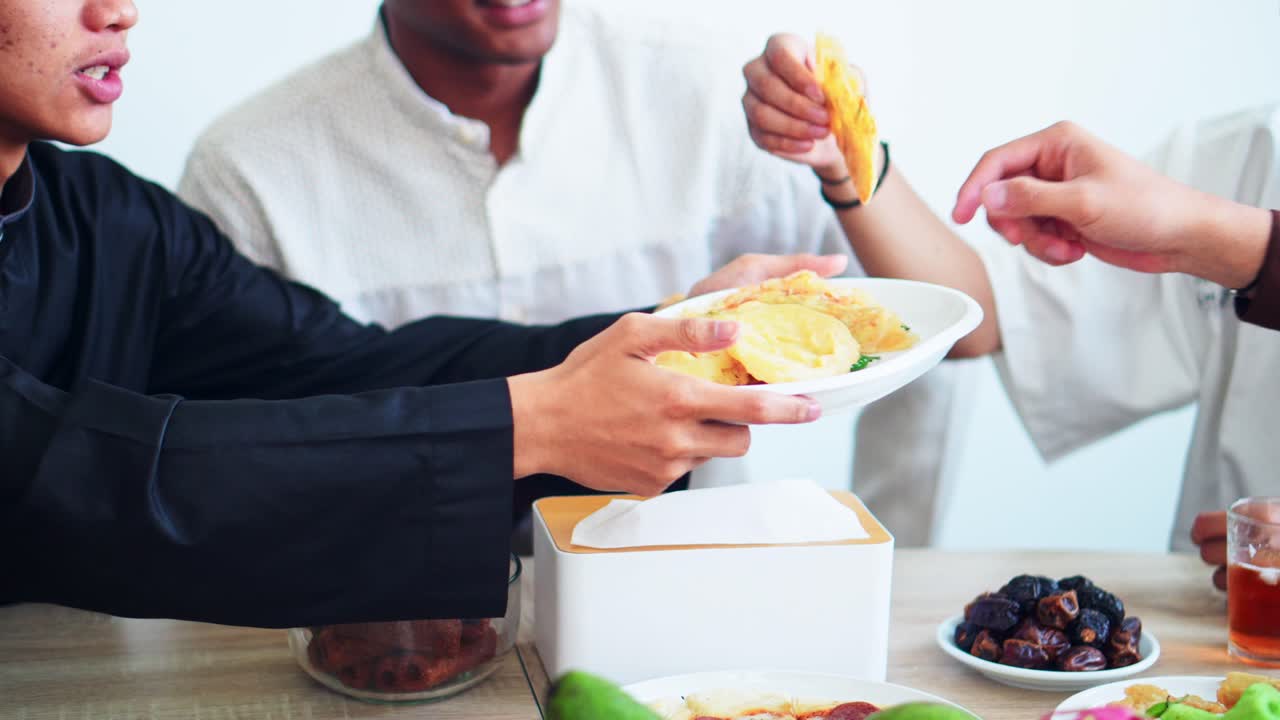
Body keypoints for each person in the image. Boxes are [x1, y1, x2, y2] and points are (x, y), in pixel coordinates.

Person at [0, 0, 826, 629]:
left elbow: (338, 367)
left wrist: (665, 334)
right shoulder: (244, 157)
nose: (117, 11)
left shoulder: (102, 214)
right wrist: (526, 427)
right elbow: (111, 481)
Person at [175, 0, 960, 546]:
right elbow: (229, 469)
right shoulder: (250, 168)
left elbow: (960, 324)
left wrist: (839, 157)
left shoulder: (705, 89)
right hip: (390, 624)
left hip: (693, 593)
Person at [742, 32, 1280, 578]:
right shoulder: (1249, 157)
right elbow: (983, 311)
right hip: (1218, 615)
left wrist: (1238, 243)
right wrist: (849, 159)